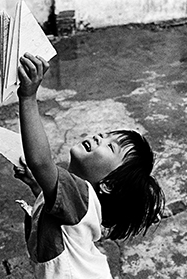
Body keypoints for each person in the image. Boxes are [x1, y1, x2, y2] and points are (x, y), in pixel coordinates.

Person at [13, 52, 165, 278]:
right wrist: (38, 186)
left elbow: (41, 161)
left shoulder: (82, 195)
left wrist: (27, 97)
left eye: (110, 147)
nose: (99, 138)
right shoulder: (77, 201)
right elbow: (54, 214)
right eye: (105, 135)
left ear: (109, 184)